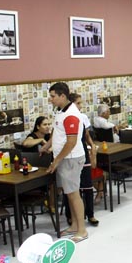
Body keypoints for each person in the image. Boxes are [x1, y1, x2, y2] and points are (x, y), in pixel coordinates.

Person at [46, 82, 87, 243]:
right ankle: (74, 225)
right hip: (64, 158)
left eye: (53, 96)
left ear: (63, 96)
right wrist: (46, 146)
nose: (51, 99)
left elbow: (71, 142)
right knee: (69, 194)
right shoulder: (60, 110)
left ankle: (82, 230)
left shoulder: (71, 114)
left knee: (74, 194)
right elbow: (56, 133)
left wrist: (56, 161)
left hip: (71, 159)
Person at [63, 93, 99, 227]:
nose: (80, 106)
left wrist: (92, 146)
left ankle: (90, 214)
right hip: (70, 155)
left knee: (87, 186)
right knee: (71, 189)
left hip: (83, 153)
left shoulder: (82, 117)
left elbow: (87, 135)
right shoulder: (64, 117)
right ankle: (71, 216)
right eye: (78, 103)